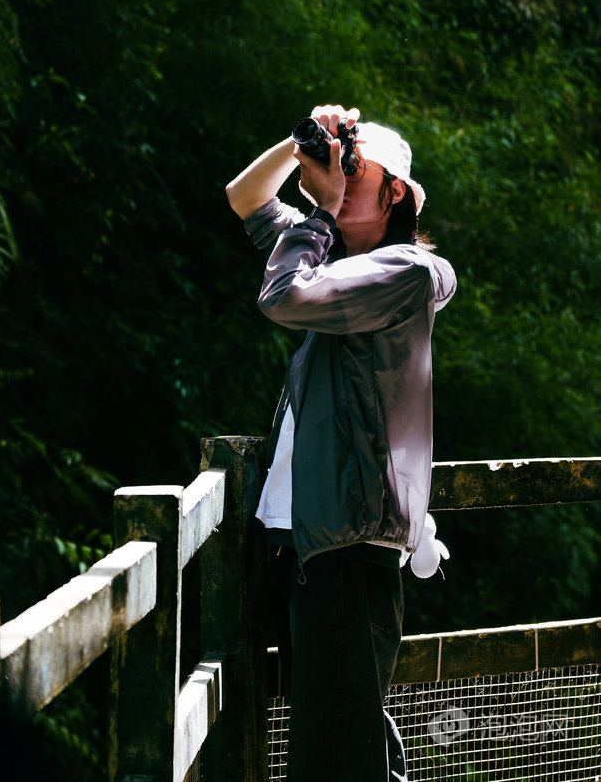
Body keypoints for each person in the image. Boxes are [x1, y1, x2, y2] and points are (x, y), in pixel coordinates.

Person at [225, 104, 457, 782]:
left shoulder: (406, 273)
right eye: (341, 166)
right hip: (300, 537)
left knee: (334, 756)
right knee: (340, 741)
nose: (343, 178)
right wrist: (301, 143)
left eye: (358, 171)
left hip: (349, 543)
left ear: (395, 194)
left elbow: (282, 297)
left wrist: (321, 210)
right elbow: (245, 197)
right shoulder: (327, 258)